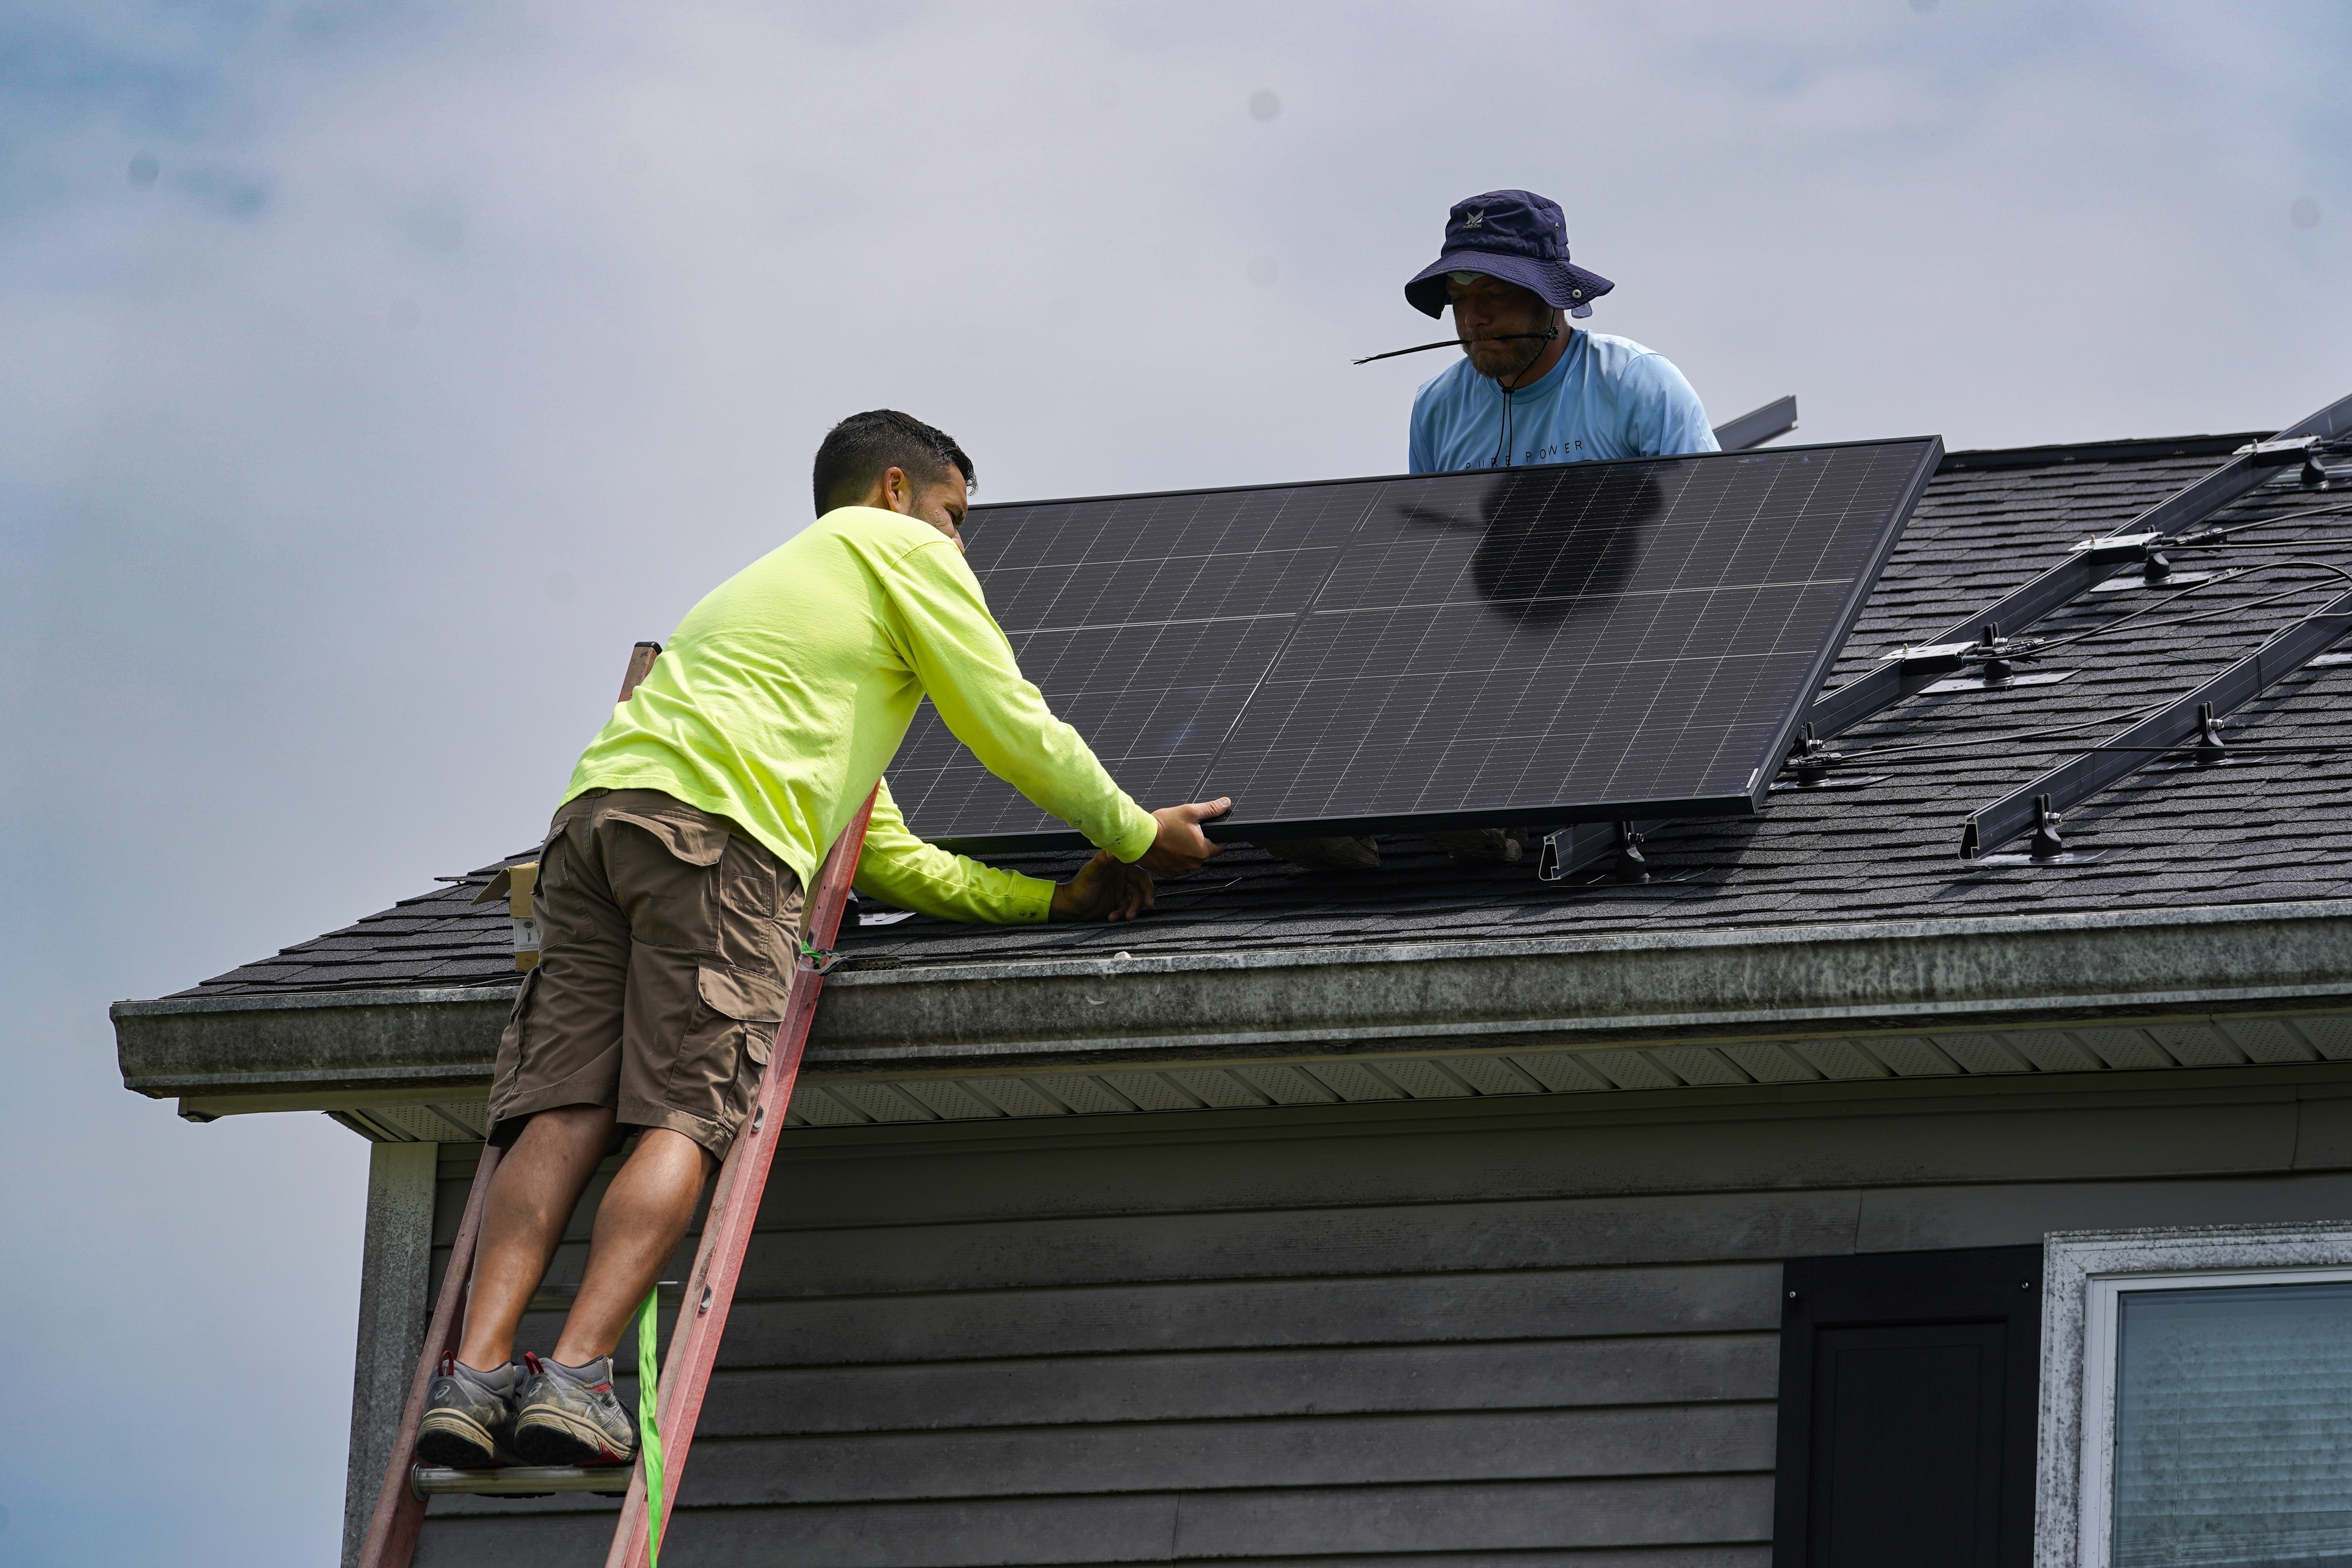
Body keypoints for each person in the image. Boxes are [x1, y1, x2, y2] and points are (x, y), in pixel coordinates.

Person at [416, 409, 1231, 1470]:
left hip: (593, 825)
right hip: (721, 847)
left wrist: (1048, 906)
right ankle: (572, 1380)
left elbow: (882, 857)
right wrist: (1133, 830)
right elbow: (1004, 716)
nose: (957, 544)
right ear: (895, 489)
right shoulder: (893, 548)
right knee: (684, 1109)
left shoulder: (772, 616)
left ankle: (471, 1379)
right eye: (953, 514)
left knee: (563, 1105)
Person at [1404, 188, 1718, 474]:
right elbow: (1432, 536)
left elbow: (1704, 515)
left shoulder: (1635, 382)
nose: (1473, 319)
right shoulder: (1435, 406)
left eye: (1497, 294)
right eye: (1458, 299)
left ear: (1551, 295)